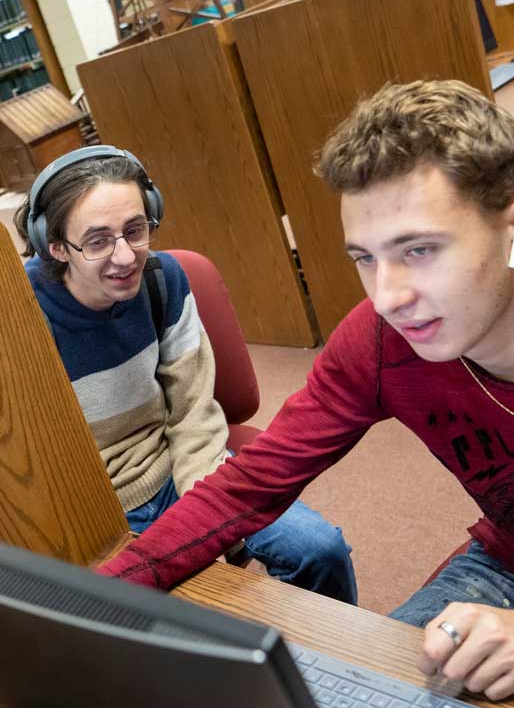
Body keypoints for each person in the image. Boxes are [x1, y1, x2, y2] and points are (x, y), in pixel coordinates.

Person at [97, 81, 514, 700]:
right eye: (365, 258)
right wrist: (94, 604)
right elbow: (251, 486)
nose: (387, 296)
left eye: (419, 250)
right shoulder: (385, 340)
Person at [14, 146, 357, 604]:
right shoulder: (20, 318)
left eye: (135, 231)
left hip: (177, 468)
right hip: (96, 510)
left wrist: (210, 524)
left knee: (320, 551)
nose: (124, 257)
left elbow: (193, 410)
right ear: (55, 247)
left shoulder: (162, 279)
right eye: (97, 241)